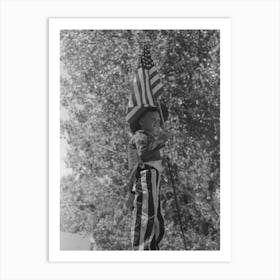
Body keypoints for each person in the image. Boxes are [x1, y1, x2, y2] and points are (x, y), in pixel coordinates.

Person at [126, 105, 169, 250]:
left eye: (158, 120)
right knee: (146, 213)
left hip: (153, 178)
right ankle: (143, 248)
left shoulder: (151, 138)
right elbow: (143, 155)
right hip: (145, 176)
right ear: (142, 122)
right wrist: (160, 142)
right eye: (153, 119)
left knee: (156, 216)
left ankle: (153, 246)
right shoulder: (141, 135)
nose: (157, 122)